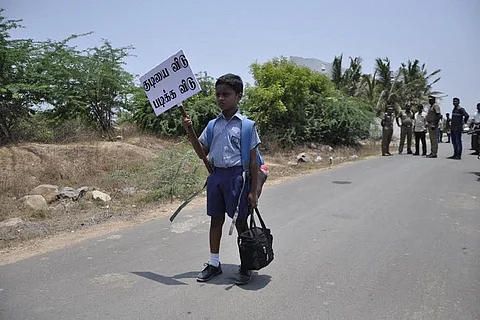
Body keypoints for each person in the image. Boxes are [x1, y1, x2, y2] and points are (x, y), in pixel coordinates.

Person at [182, 74, 261, 285]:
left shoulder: (246, 126)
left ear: (239, 96)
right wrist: (190, 131)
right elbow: (202, 153)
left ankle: (246, 265)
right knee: (215, 219)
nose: (221, 98)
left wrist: (253, 191)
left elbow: (253, 162)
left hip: (237, 178)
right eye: (218, 94)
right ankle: (214, 263)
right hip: (216, 177)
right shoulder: (212, 125)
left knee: (242, 222)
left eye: (226, 94)